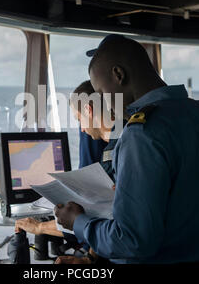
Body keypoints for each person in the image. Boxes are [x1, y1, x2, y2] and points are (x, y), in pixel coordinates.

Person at [55, 34, 199, 264]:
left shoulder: (142, 134)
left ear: (118, 75)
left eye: (101, 93)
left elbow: (133, 241)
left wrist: (78, 223)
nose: (106, 105)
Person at [15, 80, 120, 263]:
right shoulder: (115, 145)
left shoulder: (118, 151)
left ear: (89, 110)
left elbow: (104, 215)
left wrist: (40, 228)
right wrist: (89, 259)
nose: (82, 129)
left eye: (79, 119)